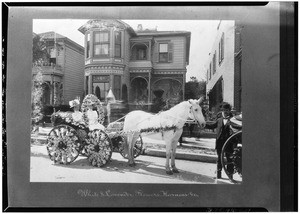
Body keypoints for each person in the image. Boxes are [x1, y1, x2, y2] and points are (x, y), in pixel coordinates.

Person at [205, 102, 234, 179]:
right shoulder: (219, 120)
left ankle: (230, 175)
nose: (225, 111)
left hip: (229, 143)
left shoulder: (233, 120)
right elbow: (212, 126)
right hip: (220, 142)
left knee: (229, 158)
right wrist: (204, 125)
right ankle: (219, 174)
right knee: (219, 158)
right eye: (223, 110)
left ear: (229, 110)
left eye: (227, 110)